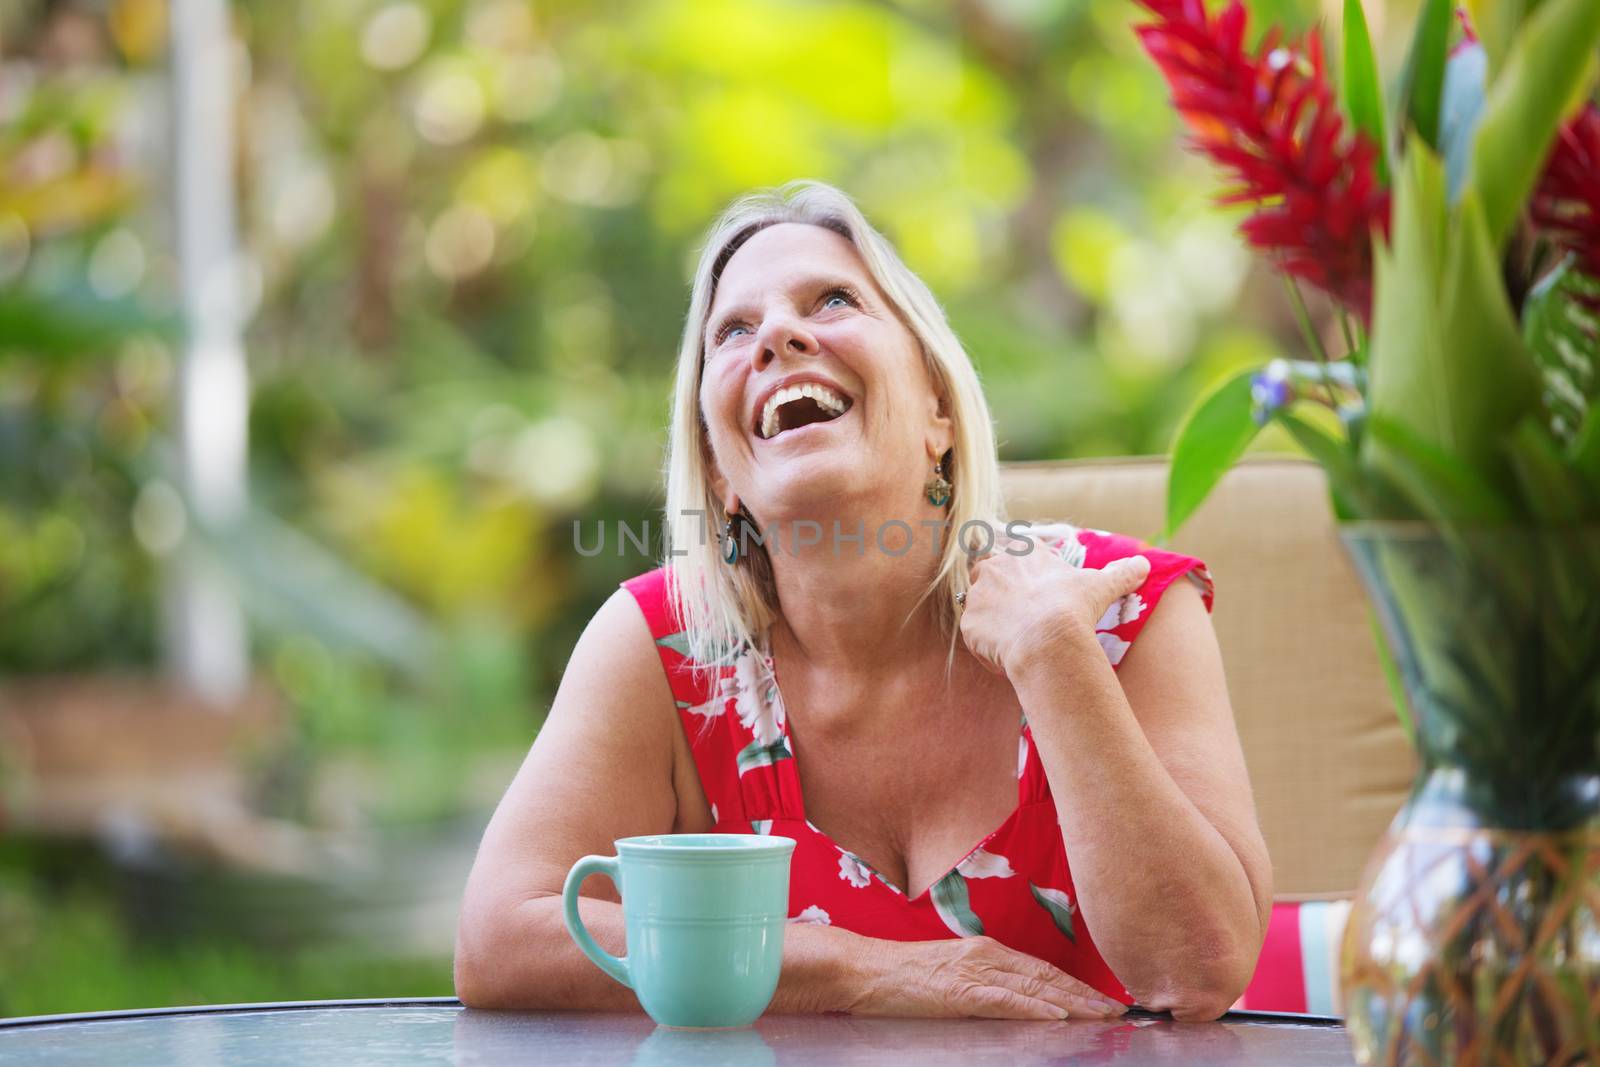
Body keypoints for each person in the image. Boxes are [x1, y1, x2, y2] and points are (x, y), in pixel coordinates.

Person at [454, 180, 1272, 1023]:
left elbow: (1199, 971)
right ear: (721, 470)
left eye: (834, 299)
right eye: (734, 330)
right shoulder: (662, 647)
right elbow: (499, 939)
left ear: (939, 410)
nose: (776, 333)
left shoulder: (1114, 610)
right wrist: (859, 970)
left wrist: (1055, 660)